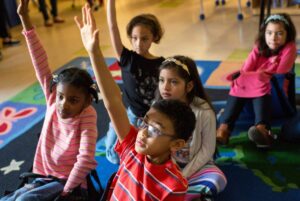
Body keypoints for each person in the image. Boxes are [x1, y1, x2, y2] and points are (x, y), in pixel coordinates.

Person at [75, 4, 196, 200]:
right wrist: (94, 52)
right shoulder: (132, 146)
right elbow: (113, 101)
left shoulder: (174, 186)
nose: (143, 131)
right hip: (132, 110)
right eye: (146, 123)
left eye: (155, 129)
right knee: (111, 148)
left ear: (177, 144)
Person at [0, 0, 98, 200]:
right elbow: (40, 61)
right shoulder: (53, 98)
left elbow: (86, 159)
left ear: (87, 101)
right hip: (41, 175)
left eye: (73, 100)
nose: (63, 104)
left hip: (64, 182)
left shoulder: (87, 115)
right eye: (61, 97)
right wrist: (25, 18)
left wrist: (66, 190)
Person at [216, 13, 297, 148]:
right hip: (251, 98)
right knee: (241, 78)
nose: (273, 38)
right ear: (263, 33)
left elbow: (280, 73)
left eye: (279, 33)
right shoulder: (259, 46)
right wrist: (254, 76)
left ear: (287, 35)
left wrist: (257, 76)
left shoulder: (290, 48)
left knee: (259, 79)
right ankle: (224, 129)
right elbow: (245, 69)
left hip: (277, 98)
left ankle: (262, 128)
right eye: (269, 33)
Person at [100, 0, 165, 164]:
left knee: (153, 156)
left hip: (153, 118)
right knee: (112, 155)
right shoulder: (127, 57)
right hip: (130, 115)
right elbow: (113, 26)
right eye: (134, 38)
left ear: (154, 38)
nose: (138, 43)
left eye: (144, 39)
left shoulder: (162, 64)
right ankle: (114, 130)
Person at [156, 56, 227, 201]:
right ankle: (189, 195)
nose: (165, 87)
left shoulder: (204, 112)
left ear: (188, 86)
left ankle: (179, 194)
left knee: (217, 179)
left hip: (196, 166)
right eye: (162, 80)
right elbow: (155, 144)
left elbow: (207, 150)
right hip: (168, 165)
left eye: (173, 82)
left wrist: (183, 175)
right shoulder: (157, 108)